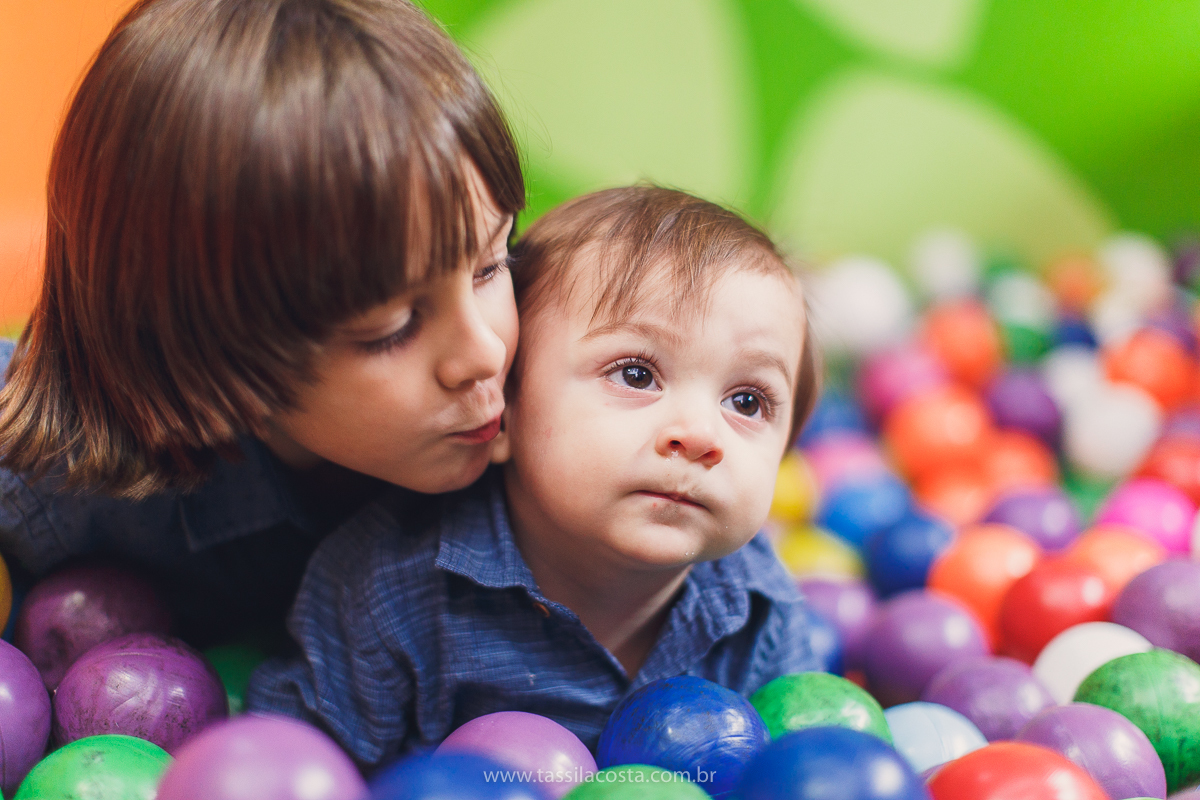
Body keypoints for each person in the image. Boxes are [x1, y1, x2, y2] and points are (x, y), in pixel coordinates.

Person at [246, 186, 826, 770]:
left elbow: (804, 772)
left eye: (747, 402)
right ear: (504, 411)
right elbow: (292, 770)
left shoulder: (760, 608)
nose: (700, 435)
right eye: (635, 373)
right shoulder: (387, 592)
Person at [0, 0, 524, 646]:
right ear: (199, 369)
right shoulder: (54, 478)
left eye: (490, 265)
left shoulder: (565, 396)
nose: (485, 351)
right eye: (392, 326)